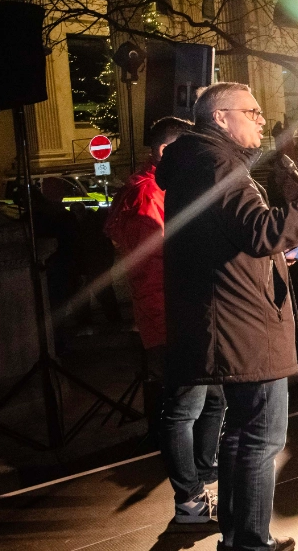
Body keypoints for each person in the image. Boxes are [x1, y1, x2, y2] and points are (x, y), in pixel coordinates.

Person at [157, 82, 298, 551]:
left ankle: (239, 537)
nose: (261, 119)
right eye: (251, 112)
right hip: (241, 325)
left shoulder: (197, 162)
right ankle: (249, 542)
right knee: (261, 437)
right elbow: (260, 231)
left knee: (240, 434)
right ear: (220, 117)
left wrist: (271, 257)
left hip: (227, 319)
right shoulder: (218, 163)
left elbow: (225, 241)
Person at [105, 116, 227, 524]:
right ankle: (190, 499)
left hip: (181, 311)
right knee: (184, 407)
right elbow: (154, 266)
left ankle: (204, 478)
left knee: (212, 399)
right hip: (173, 317)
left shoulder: (158, 189)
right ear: (165, 151)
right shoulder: (147, 195)